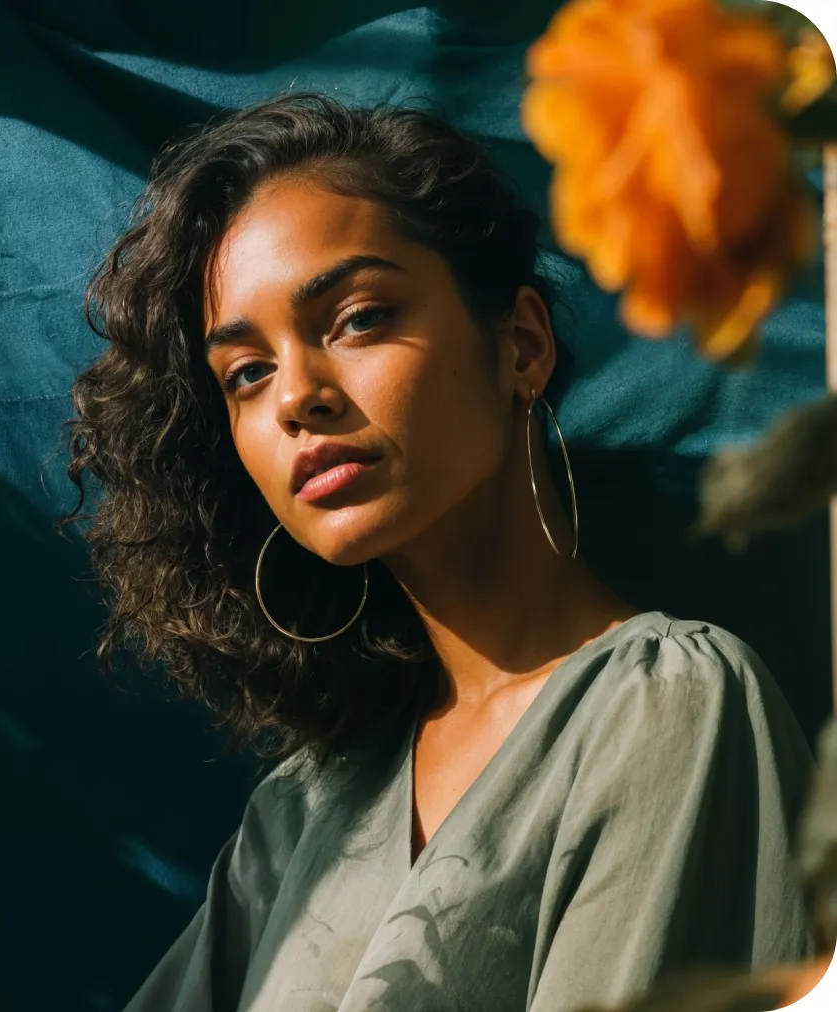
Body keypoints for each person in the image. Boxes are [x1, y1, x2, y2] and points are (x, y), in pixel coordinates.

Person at [65, 94, 814, 1011]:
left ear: (523, 346)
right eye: (247, 374)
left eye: (358, 317)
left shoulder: (668, 708)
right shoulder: (300, 810)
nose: (297, 395)